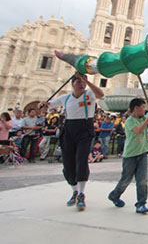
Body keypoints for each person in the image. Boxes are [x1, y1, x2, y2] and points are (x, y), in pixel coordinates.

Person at [45, 72, 104, 211]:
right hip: (69, 130)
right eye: (78, 82)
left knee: (81, 159)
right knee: (68, 162)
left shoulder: (89, 94)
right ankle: (75, 191)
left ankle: (82, 193)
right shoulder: (66, 98)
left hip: (85, 129)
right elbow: (48, 105)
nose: (81, 84)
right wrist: (43, 105)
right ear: (72, 84)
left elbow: (100, 94)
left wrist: (87, 81)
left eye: (83, 82)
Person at [108, 98, 148, 213]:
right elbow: (139, 130)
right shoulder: (129, 120)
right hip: (130, 155)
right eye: (143, 107)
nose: (144, 110)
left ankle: (141, 203)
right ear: (136, 108)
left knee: (142, 180)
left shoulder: (144, 118)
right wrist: (147, 119)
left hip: (142, 153)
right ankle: (115, 195)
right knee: (126, 179)